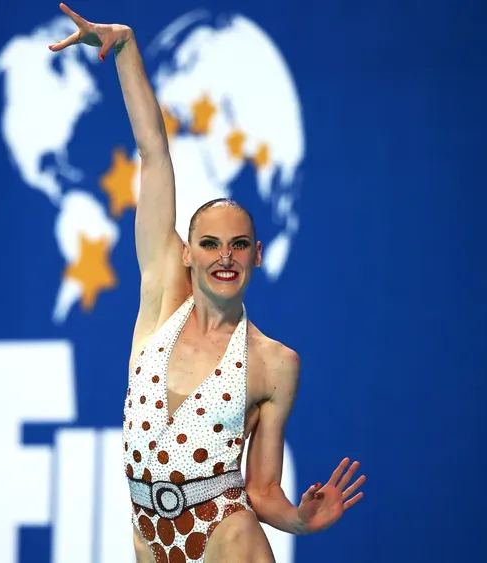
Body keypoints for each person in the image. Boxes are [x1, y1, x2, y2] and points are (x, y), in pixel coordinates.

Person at [49, 4, 366, 562]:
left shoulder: (274, 363)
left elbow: (262, 490)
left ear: (256, 256)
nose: (225, 257)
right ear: (186, 254)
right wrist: (124, 49)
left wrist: (300, 521)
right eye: (211, 244)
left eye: (239, 245)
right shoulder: (161, 302)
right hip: (150, 542)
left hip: (227, 538)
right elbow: (153, 152)